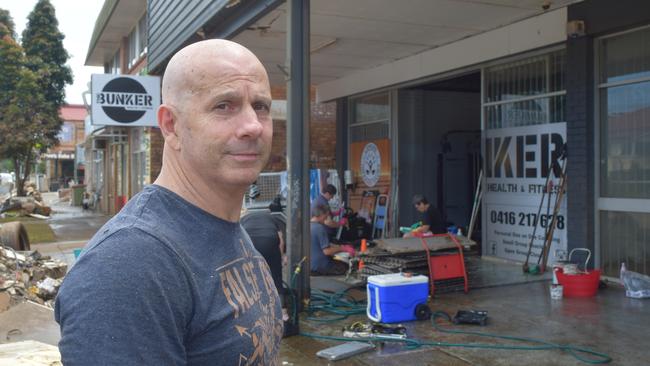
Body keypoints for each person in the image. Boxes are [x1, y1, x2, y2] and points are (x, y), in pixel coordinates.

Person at [55, 39, 282, 365]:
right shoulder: (128, 268)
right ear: (170, 125)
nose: (252, 125)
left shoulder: (224, 223)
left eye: (260, 106)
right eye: (224, 106)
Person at [310, 203, 354, 276]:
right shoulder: (319, 228)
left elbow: (318, 244)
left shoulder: (307, 225)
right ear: (321, 215)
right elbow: (327, 251)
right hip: (320, 266)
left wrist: (337, 247)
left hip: (309, 265)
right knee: (347, 266)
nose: (327, 218)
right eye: (326, 216)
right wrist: (343, 248)